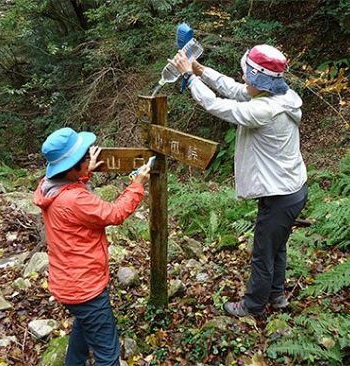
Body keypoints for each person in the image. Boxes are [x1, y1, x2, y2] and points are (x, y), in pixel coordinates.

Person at [170, 45, 308, 317]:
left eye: (248, 74)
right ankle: (277, 296)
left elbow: (218, 105)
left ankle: (253, 305)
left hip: (280, 195)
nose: (244, 78)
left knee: (263, 252)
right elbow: (235, 89)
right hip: (291, 189)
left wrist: (189, 79)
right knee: (276, 246)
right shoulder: (282, 96)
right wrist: (201, 70)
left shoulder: (264, 111)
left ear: (259, 79)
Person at [33, 127, 150, 365]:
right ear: (72, 166)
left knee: (84, 331)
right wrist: (137, 184)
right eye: (85, 158)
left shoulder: (49, 187)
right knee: (108, 353)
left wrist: (85, 173)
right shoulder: (76, 200)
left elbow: (70, 191)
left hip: (68, 284)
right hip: (86, 289)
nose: (89, 159)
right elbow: (115, 213)